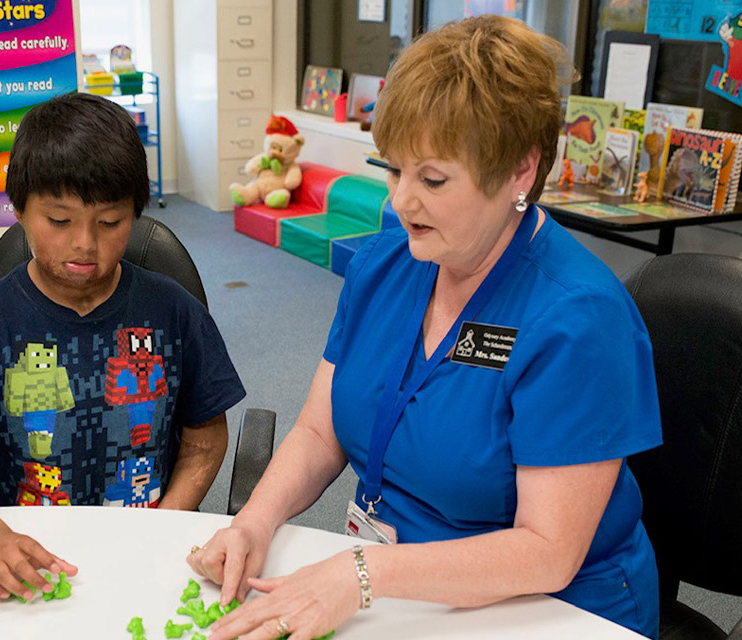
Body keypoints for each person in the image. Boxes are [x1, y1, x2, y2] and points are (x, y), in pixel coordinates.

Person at [189, 16, 662, 640]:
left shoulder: (578, 319)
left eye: (433, 179)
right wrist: (254, 521)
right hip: (404, 588)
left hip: (555, 609)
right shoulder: (388, 263)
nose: (401, 201)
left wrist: (359, 574)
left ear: (521, 172)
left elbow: (548, 551)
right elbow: (319, 429)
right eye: (394, 169)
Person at [0, 92, 246, 602]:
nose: (85, 244)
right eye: (59, 220)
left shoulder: (174, 312)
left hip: (149, 552)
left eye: (110, 223)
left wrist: (164, 525)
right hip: (28, 558)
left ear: (135, 216)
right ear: (20, 212)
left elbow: (206, 440)